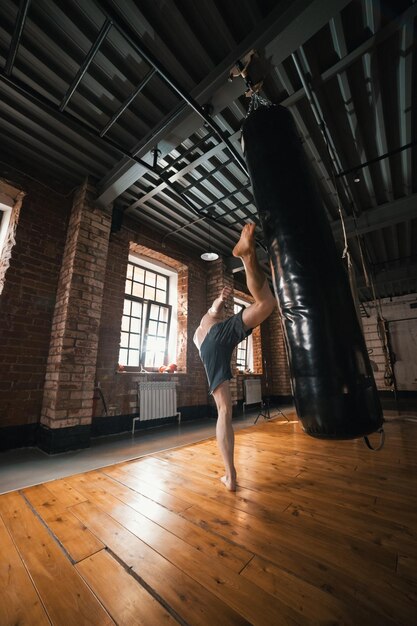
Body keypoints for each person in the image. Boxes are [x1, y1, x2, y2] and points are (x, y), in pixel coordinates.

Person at [193, 223, 276, 491]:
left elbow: (215, 309)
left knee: (224, 411)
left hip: (213, 348)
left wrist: (219, 299)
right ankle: (246, 256)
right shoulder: (208, 320)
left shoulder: (201, 329)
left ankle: (231, 477)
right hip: (219, 337)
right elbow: (215, 307)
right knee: (265, 305)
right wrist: (220, 297)